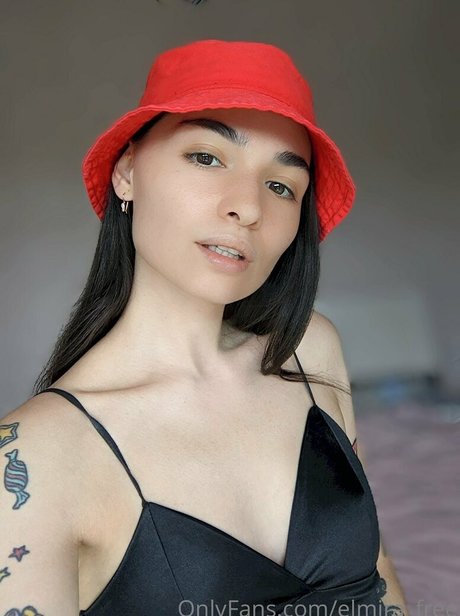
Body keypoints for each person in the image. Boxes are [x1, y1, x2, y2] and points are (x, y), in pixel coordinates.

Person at [1, 39, 408, 615]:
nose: (249, 207)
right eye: (207, 157)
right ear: (127, 172)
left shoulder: (310, 350)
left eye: (281, 186)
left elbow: (377, 570)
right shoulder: (35, 457)